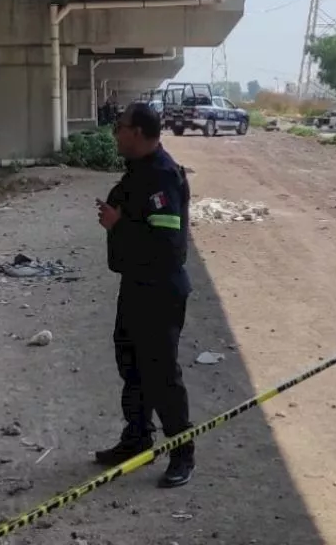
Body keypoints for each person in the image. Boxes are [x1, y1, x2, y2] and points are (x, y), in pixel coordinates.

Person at [94, 102, 196, 488]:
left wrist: (118, 225)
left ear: (137, 132)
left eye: (119, 127)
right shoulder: (139, 172)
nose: (115, 133)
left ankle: (183, 453)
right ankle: (137, 438)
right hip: (136, 285)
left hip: (161, 290)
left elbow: (167, 245)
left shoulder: (163, 177)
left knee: (162, 375)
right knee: (132, 366)